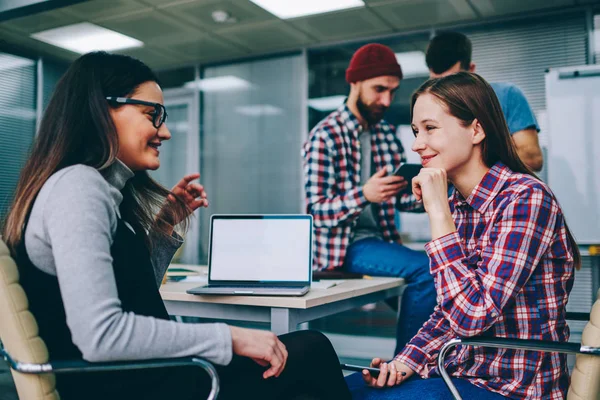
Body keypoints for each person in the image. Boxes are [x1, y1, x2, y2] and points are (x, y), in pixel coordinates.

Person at [1, 51, 351, 400]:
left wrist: (163, 228)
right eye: (153, 114)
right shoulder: (80, 186)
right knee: (310, 350)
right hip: (126, 385)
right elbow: (102, 335)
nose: (165, 132)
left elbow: (134, 299)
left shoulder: (101, 190)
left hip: (134, 377)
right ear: (101, 109)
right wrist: (230, 337)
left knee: (299, 354)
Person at [345, 72, 579, 399]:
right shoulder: (460, 202)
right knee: (342, 388)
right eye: (415, 131)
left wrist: (437, 209)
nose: (416, 144)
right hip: (457, 373)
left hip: (511, 390)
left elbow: (471, 317)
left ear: (476, 129)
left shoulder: (525, 199)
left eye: (430, 128)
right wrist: (402, 364)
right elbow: (448, 313)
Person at [302, 43, 437, 354]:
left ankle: (435, 363)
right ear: (355, 82)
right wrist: (363, 194)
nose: (386, 100)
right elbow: (317, 213)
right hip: (342, 247)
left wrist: (420, 193)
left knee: (441, 280)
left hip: (381, 241)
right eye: (379, 89)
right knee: (427, 271)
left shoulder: (386, 134)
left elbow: (399, 201)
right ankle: (408, 367)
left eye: (392, 91)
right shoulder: (325, 136)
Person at [426, 31, 544, 172]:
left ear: (471, 70)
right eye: (436, 82)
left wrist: (466, 162)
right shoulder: (431, 106)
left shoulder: (506, 95)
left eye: (451, 81)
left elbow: (532, 159)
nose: (443, 90)